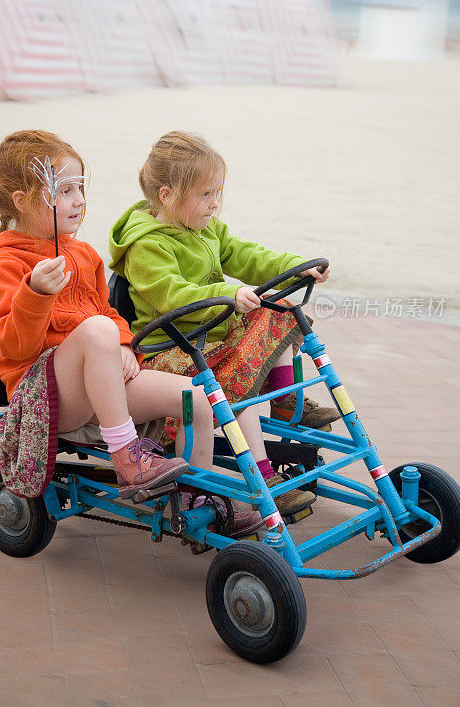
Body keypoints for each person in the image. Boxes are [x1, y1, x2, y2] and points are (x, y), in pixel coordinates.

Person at [0, 129, 263, 537]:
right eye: (66, 190)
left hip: (98, 387)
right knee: (94, 330)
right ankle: (127, 457)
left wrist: (123, 343)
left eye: (80, 188)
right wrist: (34, 293)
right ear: (22, 201)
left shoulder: (83, 254)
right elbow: (13, 345)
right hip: (46, 396)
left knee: (199, 400)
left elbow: (108, 312)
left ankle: (195, 504)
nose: (80, 200)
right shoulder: (3, 261)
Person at [109, 131, 341, 517]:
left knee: (278, 307)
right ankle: (264, 481)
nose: (214, 204)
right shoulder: (147, 246)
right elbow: (173, 295)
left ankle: (286, 403)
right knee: (240, 386)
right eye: (205, 194)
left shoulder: (206, 228)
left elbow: (245, 255)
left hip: (212, 336)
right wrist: (228, 294)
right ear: (166, 195)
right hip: (173, 349)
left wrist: (292, 267)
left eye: (218, 193)